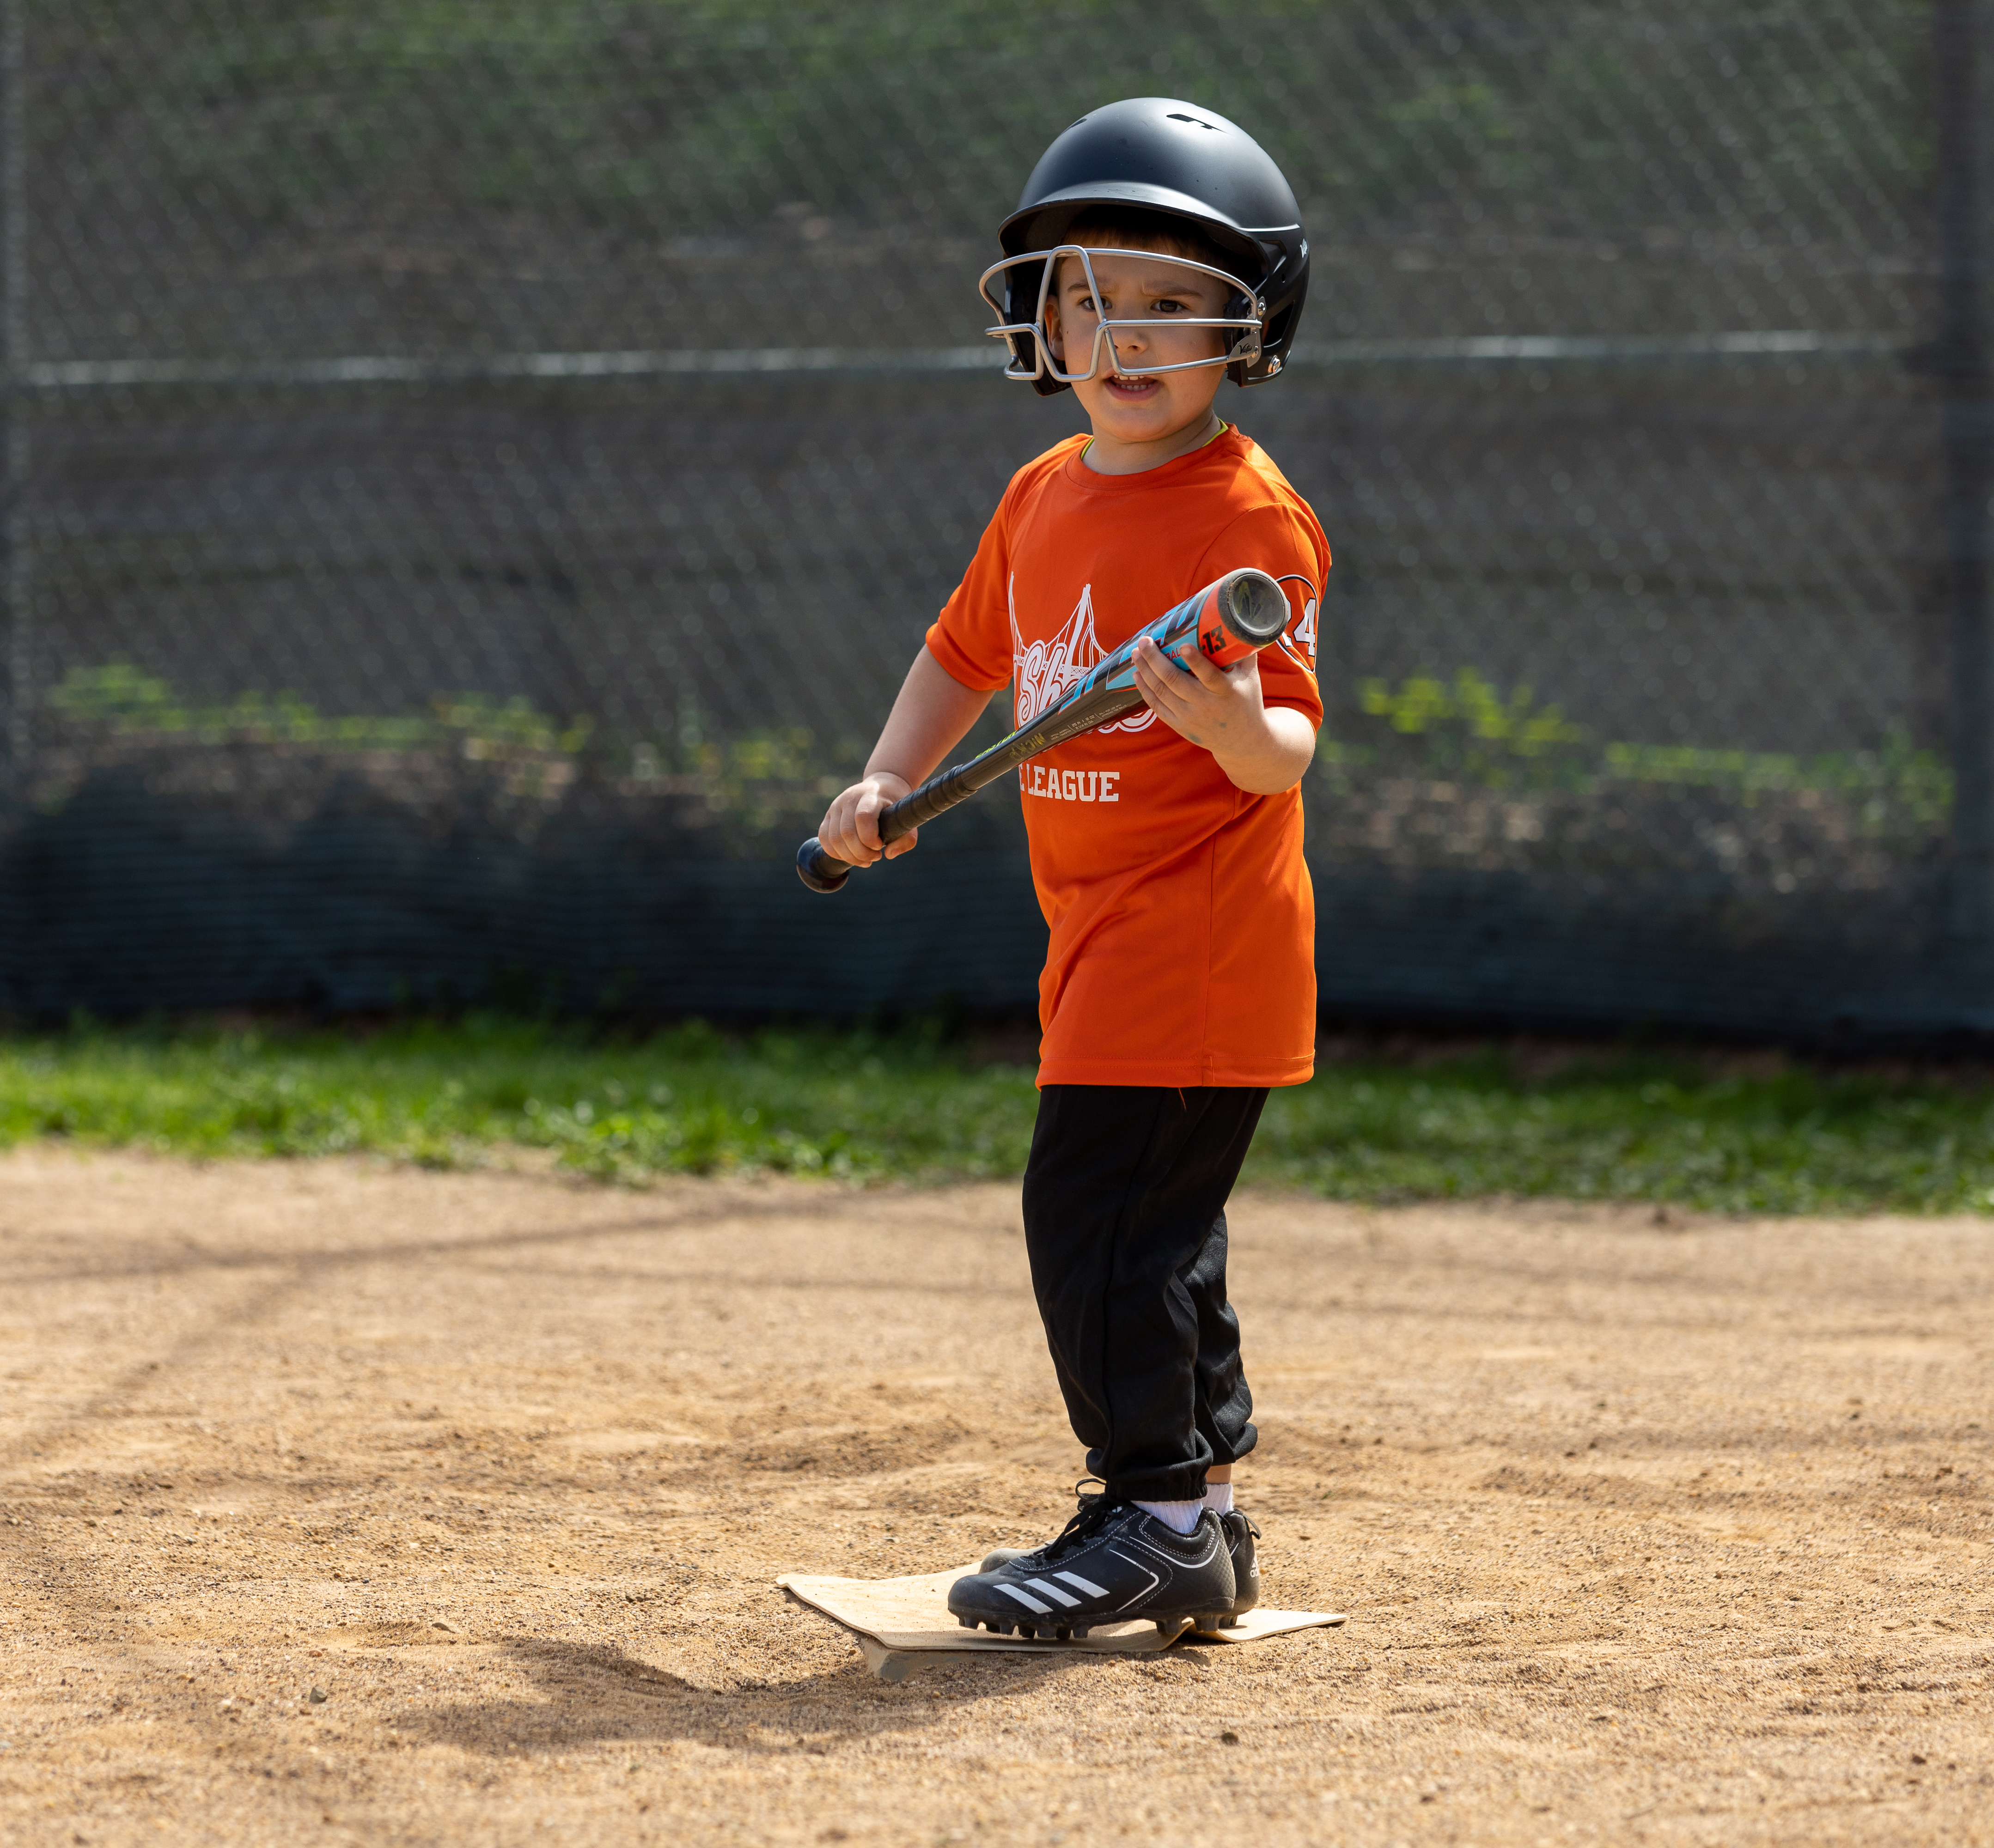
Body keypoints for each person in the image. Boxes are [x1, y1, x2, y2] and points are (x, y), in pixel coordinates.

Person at [813, 97, 1328, 1638]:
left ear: (1245, 330)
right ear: (1040, 320)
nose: (1122, 333)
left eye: (1171, 304)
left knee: (1096, 1225)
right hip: (1099, 939)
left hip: (1198, 940)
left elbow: (1289, 750)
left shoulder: (1246, 514)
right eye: (1088, 296)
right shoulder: (1044, 493)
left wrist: (1232, 720)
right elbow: (961, 651)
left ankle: (1151, 1509)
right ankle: (1201, 1515)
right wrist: (892, 774)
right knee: (1158, 1241)